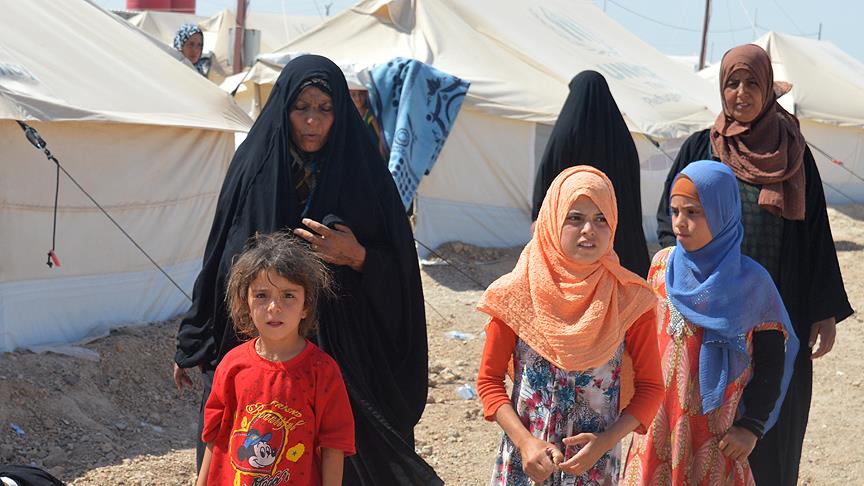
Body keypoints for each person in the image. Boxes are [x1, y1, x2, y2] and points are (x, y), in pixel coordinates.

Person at [174, 55, 440, 485]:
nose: (313, 121)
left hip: (345, 354)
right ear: (285, 109)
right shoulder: (254, 165)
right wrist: (195, 337)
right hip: (264, 343)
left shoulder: (365, 174)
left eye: (325, 109)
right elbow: (221, 255)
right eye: (302, 108)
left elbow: (402, 272)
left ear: (341, 113)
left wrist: (357, 255)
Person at [654, 44, 853, 485]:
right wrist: (686, 274)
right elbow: (669, 221)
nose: (741, 93)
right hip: (710, 306)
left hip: (776, 301)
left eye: (751, 84)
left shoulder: (793, 152)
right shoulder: (701, 147)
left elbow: (815, 234)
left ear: (768, 90)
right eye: (732, 83)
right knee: (703, 416)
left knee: (770, 416)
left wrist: (823, 310)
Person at [476, 166, 664, 485]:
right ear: (553, 219)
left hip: (595, 467)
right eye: (575, 218)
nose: (589, 230)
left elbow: (651, 388)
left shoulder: (630, 299)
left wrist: (604, 443)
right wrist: (525, 442)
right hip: (526, 464)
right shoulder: (515, 294)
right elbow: (489, 382)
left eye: (601, 218)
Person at [623, 160, 799, 484]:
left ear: (722, 213)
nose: (680, 222)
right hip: (658, 422)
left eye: (693, 212)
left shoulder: (752, 284)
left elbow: (772, 363)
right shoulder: (661, 267)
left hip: (717, 434)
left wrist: (751, 426)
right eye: (675, 211)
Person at [196, 232, 354, 486]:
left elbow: (333, 445)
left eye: (288, 295)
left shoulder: (321, 371)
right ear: (246, 304)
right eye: (261, 295)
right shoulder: (232, 365)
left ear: (306, 306)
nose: (274, 307)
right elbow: (214, 434)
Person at [532, 70, 650, 277]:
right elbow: (632, 189)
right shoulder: (623, 138)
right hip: (617, 229)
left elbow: (548, 175)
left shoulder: (565, 133)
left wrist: (538, 216)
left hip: (574, 229)